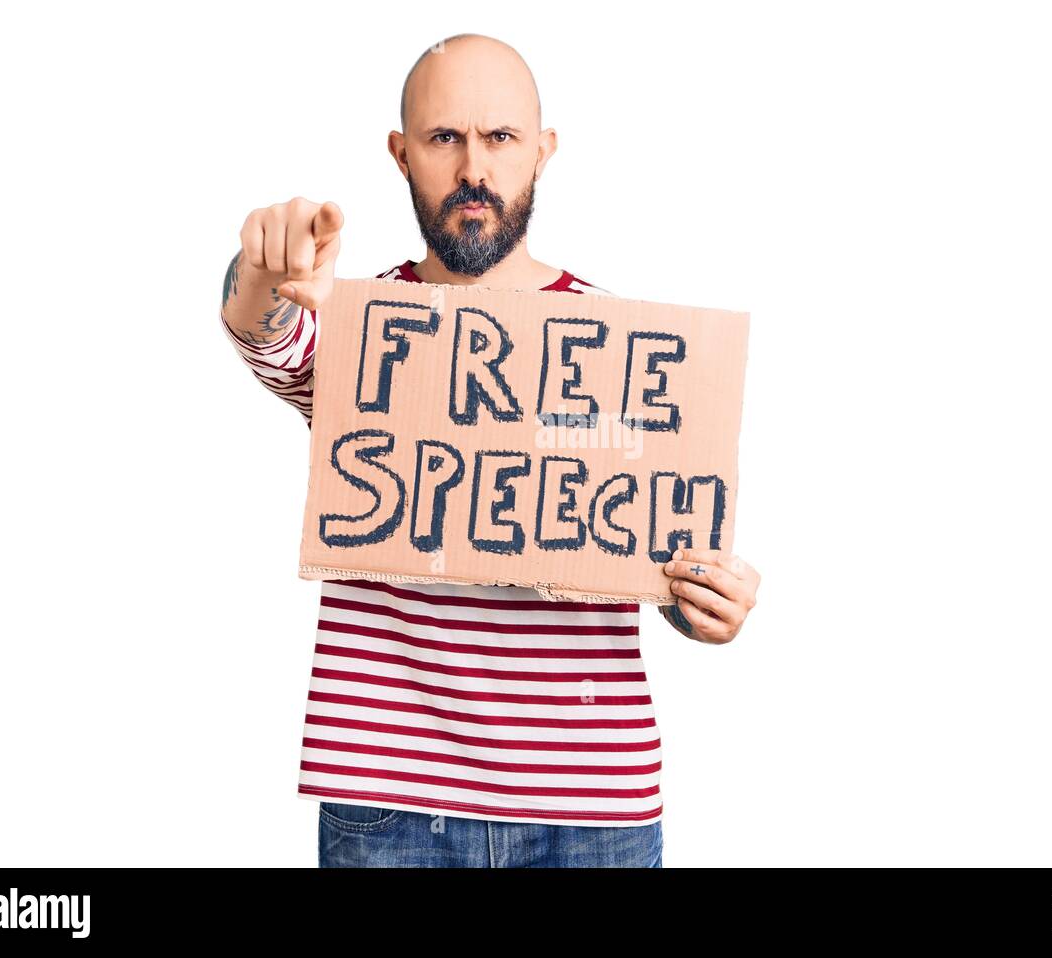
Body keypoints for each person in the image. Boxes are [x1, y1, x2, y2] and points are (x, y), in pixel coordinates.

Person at [219, 33, 761, 868]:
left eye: (500, 138)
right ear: (402, 155)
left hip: (592, 808)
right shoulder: (365, 329)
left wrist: (702, 602)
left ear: (542, 152)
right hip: (390, 801)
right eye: (445, 139)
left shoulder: (619, 347)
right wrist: (262, 266)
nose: (474, 168)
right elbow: (267, 333)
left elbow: (644, 548)